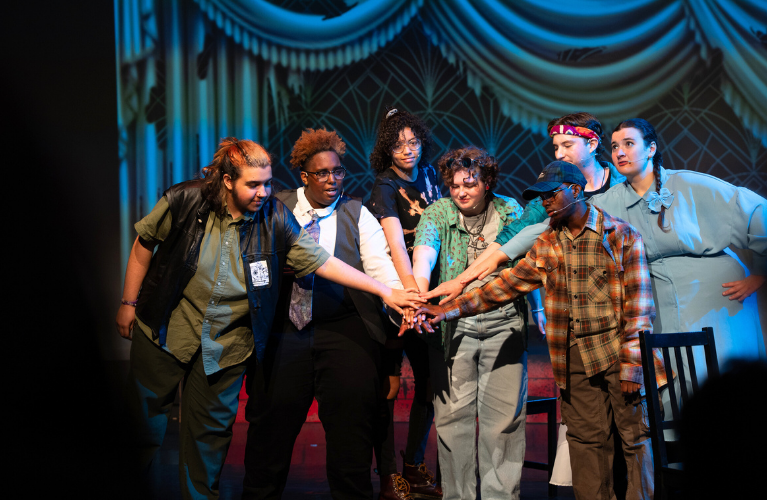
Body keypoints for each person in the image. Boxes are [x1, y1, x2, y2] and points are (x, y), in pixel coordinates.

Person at [115, 137, 421, 500]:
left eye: (267, 183)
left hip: (226, 342)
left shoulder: (275, 215)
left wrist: (388, 292)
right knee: (142, 426)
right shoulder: (186, 199)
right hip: (167, 329)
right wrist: (128, 302)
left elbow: (323, 262)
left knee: (208, 437)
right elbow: (144, 244)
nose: (263, 192)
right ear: (228, 180)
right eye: (252, 184)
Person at [410, 160, 666, 500]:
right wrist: (446, 310)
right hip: (573, 358)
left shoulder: (619, 236)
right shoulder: (547, 243)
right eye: (540, 197)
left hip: (618, 354)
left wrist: (633, 364)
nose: (545, 203)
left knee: (635, 440)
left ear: (576, 191)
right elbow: (503, 286)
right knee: (587, 441)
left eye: (551, 195)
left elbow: (639, 307)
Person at [591, 117, 767, 380]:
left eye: (628, 143)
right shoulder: (609, 201)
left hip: (717, 300)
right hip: (657, 301)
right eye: (614, 147)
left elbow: (756, 211)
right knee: (673, 379)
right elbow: (562, 223)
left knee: (717, 373)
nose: (620, 152)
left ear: (651, 149)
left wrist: (762, 272)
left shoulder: (689, 184)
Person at [425, 112, 624, 326]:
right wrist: (461, 280)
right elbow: (513, 236)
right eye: (556, 147)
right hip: (577, 294)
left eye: (567, 145)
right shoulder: (552, 196)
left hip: (621, 285)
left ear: (592, 144)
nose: (559, 154)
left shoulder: (622, 185)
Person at [411, 146, 526, 500]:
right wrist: (418, 295)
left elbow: (522, 260)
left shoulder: (509, 210)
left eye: (471, 184)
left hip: (503, 323)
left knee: (502, 423)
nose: (461, 192)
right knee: (452, 420)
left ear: (487, 183)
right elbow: (425, 252)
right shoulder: (438, 212)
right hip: (453, 327)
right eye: (455, 185)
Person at [366, 108, 443, 499]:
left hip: (428, 296)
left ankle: (413, 464)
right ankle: (388, 474)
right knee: (390, 387)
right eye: (398, 145)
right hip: (398, 299)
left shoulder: (430, 176)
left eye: (413, 142)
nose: (407, 151)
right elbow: (397, 247)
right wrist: (411, 297)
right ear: (387, 149)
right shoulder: (383, 188)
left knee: (430, 384)